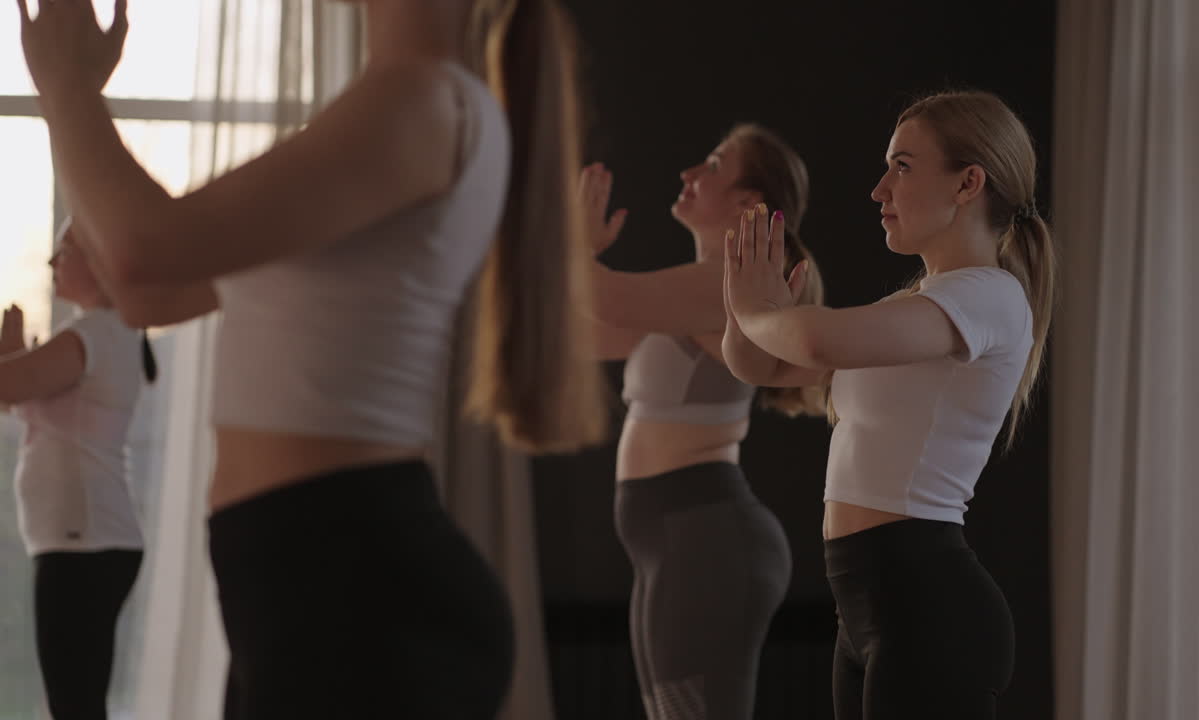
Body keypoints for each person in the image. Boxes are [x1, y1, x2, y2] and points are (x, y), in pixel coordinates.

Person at [17, 0, 605, 716]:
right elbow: (150, 293)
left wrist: (67, 93)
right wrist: (72, 99)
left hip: (353, 594)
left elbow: (143, 258)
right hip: (315, 587)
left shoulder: (417, 104)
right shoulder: (398, 108)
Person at [722, 91, 1055, 719]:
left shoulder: (990, 297)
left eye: (901, 165)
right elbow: (764, 365)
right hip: (868, 603)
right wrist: (747, 305)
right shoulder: (913, 307)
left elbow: (814, 336)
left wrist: (760, 313)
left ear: (968, 183)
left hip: (928, 606)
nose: (879, 190)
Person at [583, 123, 825, 719]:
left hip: (705, 538)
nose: (690, 174)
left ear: (748, 204)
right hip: (676, 537)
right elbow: (581, 332)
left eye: (712, 166)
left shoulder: (721, 287)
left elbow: (603, 295)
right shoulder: (692, 294)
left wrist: (576, 245)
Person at [2, 220, 149, 720]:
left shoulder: (97, 333)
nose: (52, 262)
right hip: (85, 541)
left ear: (100, 261)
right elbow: (16, 392)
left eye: (64, 251)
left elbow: (9, 384)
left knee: (75, 704)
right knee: (76, 700)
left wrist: (11, 344)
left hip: (84, 543)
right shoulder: (102, 333)